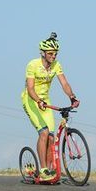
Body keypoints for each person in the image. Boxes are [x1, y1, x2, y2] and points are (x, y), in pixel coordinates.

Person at [21, 32, 80, 181]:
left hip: (45, 101)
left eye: (55, 54)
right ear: (43, 53)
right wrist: (38, 101)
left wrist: (72, 96)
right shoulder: (32, 65)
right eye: (51, 53)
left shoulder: (56, 66)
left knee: (52, 137)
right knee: (44, 133)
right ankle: (43, 170)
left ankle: (49, 171)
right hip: (31, 100)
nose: (54, 56)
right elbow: (30, 88)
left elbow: (64, 83)